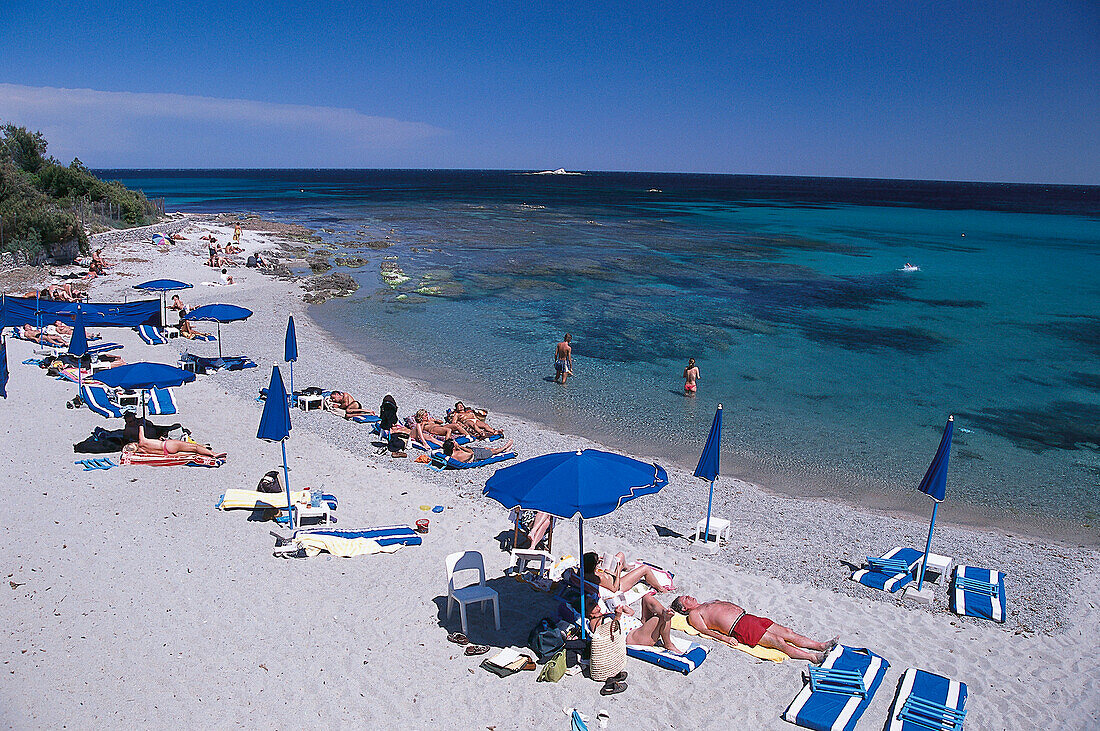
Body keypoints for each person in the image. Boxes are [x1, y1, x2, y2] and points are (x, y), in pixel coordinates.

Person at [670, 596, 838, 663]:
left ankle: (820, 646)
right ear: (684, 609)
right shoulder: (694, 615)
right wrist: (725, 639)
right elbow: (705, 631)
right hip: (739, 627)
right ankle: (813, 657)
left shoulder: (707, 603)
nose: (689, 597)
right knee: (778, 642)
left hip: (749, 618)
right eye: (685, 599)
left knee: (787, 632)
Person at [130, 418, 225, 459]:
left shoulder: (142, 451)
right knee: (194, 448)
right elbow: (141, 429)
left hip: (166, 452)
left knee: (191, 452)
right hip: (168, 445)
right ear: (134, 444)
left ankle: (205, 453)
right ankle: (213, 454)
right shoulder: (142, 442)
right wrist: (140, 424)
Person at [583, 552, 669, 595]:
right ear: (594, 565)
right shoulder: (600, 578)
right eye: (597, 562)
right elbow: (614, 589)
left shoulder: (584, 571)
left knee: (620, 555)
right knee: (645, 568)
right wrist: (618, 572)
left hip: (608, 574)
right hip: (620, 584)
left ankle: (626, 567)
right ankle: (660, 588)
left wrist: (601, 566)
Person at [441, 437, 514, 463]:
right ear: (454, 447)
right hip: (476, 455)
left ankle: (505, 450)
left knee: (488, 448)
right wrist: (460, 447)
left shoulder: (449, 453)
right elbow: (471, 453)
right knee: (493, 451)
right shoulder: (458, 454)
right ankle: (505, 447)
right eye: (454, 443)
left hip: (472, 451)